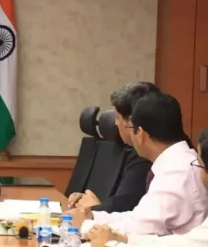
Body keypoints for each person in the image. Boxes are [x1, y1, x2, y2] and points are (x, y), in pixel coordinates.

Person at [72, 92, 208, 236]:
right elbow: (138, 217)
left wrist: (85, 225)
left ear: (140, 134)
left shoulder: (177, 171)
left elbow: (142, 228)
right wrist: (93, 217)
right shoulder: (177, 161)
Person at [86, 127, 208, 247]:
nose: (198, 171)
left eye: (199, 164)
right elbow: (181, 242)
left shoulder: (177, 169)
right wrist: (127, 240)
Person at [67, 82, 157, 212]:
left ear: (131, 122)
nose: (115, 123)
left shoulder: (145, 157)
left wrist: (97, 208)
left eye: (117, 117)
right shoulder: (137, 152)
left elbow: (124, 207)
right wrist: (86, 201)